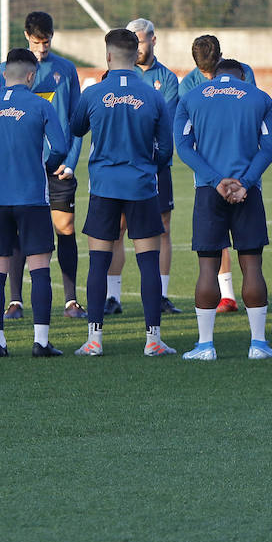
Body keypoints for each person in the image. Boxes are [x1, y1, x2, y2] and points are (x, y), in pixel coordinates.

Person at [70, 28, 175, 356]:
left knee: (98, 262)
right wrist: (146, 162)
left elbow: (75, 128)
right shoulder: (154, 95)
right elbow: (167, 152)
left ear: (108, 56)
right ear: (136, 55)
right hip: (142, 186)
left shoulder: (93, 92)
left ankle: (95, 340)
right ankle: (153, 339)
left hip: (104, 187)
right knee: (148, 262)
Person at [174, 57, 272, 360]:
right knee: (252, 265)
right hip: (248, 192)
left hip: (208, 191)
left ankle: (205, 345)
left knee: (208, 266)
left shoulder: (192, 97)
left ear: (213, 75)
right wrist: (244, 183)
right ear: (243, 75)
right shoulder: (259, 98)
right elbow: (269, 148)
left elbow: (183, 146)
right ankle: (258, 344)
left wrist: (216, 180)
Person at [0, 48, 71, 357]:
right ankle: (40, 342)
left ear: (4, 74)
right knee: (40, 269)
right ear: (31, 76)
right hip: (31, 198)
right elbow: (61, 146)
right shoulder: (40, 105)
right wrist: (46, 164)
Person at [0, 12, 87, 323]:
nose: (41, 50)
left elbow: (77, 122)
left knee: (65, 228)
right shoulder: (8, 71)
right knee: (19, 232)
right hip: (23, 168)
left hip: (58, 167)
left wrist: (71, 162)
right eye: (36, 43)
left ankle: (71, 300)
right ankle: (14, 302)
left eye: (46, 43)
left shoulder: (65, 69)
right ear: (26, 36)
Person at [105, 17, 181, 317]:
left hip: (155, 165)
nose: (137, 48)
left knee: (162, 229)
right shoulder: (115, 75)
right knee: (117, 230)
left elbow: (166, 125)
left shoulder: (168, 79)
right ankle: (113, 297)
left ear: (152, 39)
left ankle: (161, 295)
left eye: (141, 41)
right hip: (122, 163)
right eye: (132, 43)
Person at [179, 33, 257, 315]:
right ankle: (226, 293)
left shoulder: (243, 72)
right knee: (213, 244)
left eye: (213, 70)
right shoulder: (188, 84)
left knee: (249, 251)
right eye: (204, 73)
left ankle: (250, 326)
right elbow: (185, 136)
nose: (210, 77)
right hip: (208, 172)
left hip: (243, 171)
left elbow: (253, 113)